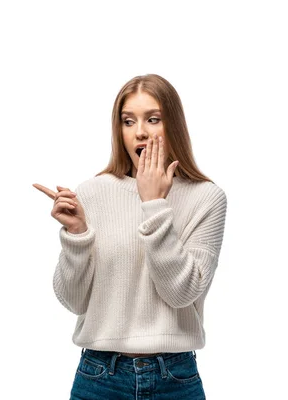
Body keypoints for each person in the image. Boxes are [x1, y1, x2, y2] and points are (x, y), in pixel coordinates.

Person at [32, 74, 227, 399]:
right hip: (99, 378)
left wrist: (154, 204)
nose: (140, 131)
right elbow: (73, 300)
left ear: (173, 125)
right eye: (128, 121)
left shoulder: (206, 198)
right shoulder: (92, 193)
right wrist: (76, 234)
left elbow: (182, 294)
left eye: (153, 119)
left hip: (175, 379)